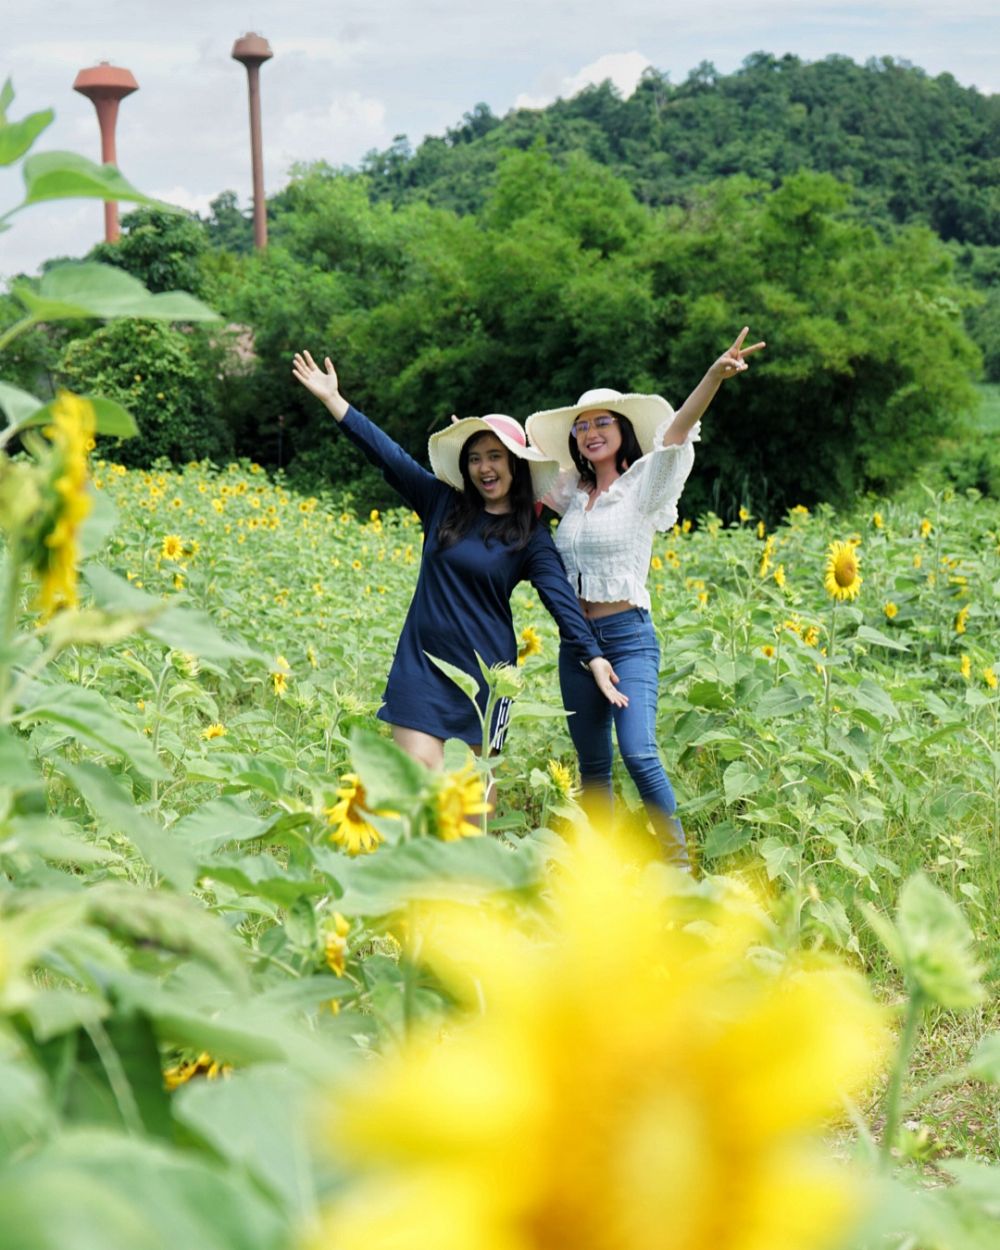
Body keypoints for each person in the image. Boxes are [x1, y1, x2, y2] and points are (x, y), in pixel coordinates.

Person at [291, 349, 626, 780]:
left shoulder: (530, 536)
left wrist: (594, 656)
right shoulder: (441, 503)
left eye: (494, 456)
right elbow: (386, 454)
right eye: (474, 458)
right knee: (418, 783)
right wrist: (335, 402)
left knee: (471, 802)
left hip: (488, 681)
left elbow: (560, 601)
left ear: (515, 465)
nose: (484, 467)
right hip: (421, 666)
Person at [525, 327, 765, 865]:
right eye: (582, 426)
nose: (590, 432)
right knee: (592, 766)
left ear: (622, 430)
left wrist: (713, 376)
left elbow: (677, 434)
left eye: (602, 423)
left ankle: (678, 865)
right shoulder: (572, 494)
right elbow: (519, 469)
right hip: (578, 644)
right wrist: (480, 436)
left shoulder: (643, 488)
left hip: (628, 638)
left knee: (638, 751)